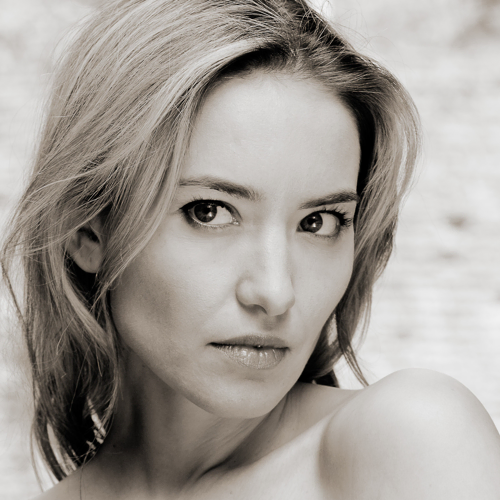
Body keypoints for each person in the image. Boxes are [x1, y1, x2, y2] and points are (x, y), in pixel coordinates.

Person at [1, 0, 500, 498]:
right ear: (86, 231)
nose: (275, 292)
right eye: (209, 212)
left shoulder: (409, 439)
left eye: (319, 222)